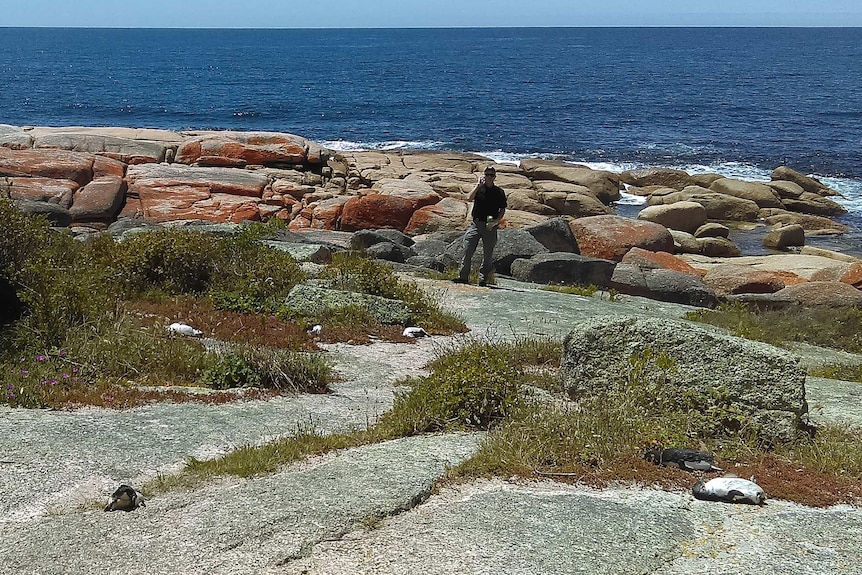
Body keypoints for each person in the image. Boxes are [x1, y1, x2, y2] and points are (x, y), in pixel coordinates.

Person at [455, 165, 507, 286]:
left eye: (491, 175)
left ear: (494, 177)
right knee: (467, 249)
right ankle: (463, 277)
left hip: (490, 225)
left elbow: (503, 208)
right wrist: (477, 185)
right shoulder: (479, 189)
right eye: (487, 174)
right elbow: (469, 198)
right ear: (483, 175)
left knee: (488, 254)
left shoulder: (499, 192)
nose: (489, 177)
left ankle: (482, 279)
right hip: (476, 224)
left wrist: (497, 221)